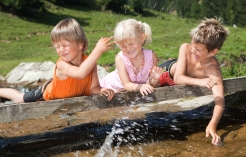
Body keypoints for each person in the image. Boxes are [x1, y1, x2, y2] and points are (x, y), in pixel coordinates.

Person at [151, 17, 229, 146]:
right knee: (151, 81)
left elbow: (219, 101)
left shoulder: (213, 69)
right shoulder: (186, 48)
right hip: (168, 72)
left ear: (213, 51)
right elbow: (178, 78)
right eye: (193, 46)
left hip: (181, 77)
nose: (193, 51)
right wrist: (202, 82)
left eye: (198, 49)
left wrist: (212, 125)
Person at [0, 18, 115, 103]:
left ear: (80, 44)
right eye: (57, 46)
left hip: (64, 89)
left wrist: (102, 90)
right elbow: (80, 73)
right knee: (19, 98)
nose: (61, 50)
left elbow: (93, 88)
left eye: (65, 45)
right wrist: (98, 50)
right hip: (47, 93)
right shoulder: (61, 65)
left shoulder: (90, 64)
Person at [100, 19, 158, 96]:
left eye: (131, 44)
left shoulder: (151, 57)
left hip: (131, 94)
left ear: (142, 38)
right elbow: (126, 84)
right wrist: (141, 86)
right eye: (123, 46)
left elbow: (149, 83)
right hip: (112, 89)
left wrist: (155, 79)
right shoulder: (120, 59)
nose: (128, 49)